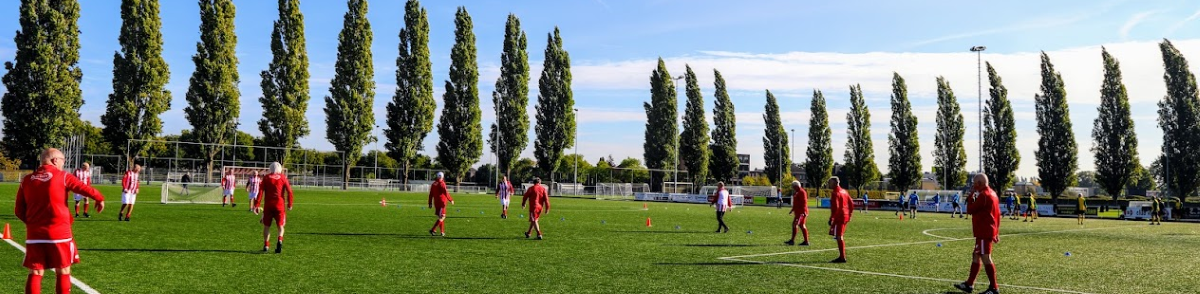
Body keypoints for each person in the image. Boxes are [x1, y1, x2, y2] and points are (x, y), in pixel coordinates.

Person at [15, 148, 106, 294]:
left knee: (36, 272)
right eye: (63, 161)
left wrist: (33, 223)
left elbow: (18, 211)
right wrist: (99, 198)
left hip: (34, 235)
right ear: (55, 160)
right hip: (59, 233)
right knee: (63, 270)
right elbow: (83, 188)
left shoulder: (26, 180)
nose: (63, 165)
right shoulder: (63, 176)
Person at [954, 174, 1001, 294]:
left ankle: (994, 288)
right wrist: (997, 231)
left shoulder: (984, 195)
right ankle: (969, 284)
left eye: (974, 183)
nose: (973, 185)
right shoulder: (993, 194)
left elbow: (970, 209)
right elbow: (997, 214)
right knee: (976, 255)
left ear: (979, 183)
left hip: (984, 231)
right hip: (985, 230)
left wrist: (970, 195)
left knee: (986, 257)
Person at [254, 162, 294, 253]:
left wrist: (257, 204)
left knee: (266, 226)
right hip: (280, 205)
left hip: (268, 205)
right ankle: (279, 240)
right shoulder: (283, 178)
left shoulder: (266, 178)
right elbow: (289, 191)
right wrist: (290, 204)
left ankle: (266, 245)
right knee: (280, 226)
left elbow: (260, 192)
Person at [827, 177, 854, 263]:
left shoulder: (835, 193)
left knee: (839, 236)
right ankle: (842, 256)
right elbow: (851, 204)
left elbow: (836, 207)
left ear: (835, 183)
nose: (828, 184)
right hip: (845, 216)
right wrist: (850, 215)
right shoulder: (844, 191)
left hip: (840, 216)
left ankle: (842, 257)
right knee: (839, 236)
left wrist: (832, 218)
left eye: (830, 182)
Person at [427, 172, 454, 236]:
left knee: (440, 217)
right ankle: (433, 229)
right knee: (443, 217)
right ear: (442, 177)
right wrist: (451, 199)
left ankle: (442, 232)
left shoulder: (434, 184)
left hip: (436, 202)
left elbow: (431, 194)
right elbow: (445, 192)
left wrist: (430, 203)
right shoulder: (442, 183)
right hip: (442, 202)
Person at [785, 181, 809, 246]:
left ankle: (793, 241)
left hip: (801, 212)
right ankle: (805, 241)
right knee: (800, 225)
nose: (792, 188)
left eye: (793, 186)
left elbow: (804, 202)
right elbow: (796, 203)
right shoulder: (797, 192)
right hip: (798, 212)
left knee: (796, 225)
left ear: (796, 186)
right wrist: (792, 210)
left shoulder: (801, 192)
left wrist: (804, 212)